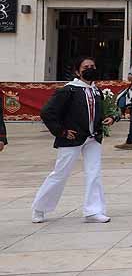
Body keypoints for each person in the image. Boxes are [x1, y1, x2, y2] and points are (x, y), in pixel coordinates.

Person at [31, 56, 117, 223]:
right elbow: (47, 113)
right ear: (78, 71)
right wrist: (61, 132)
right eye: (86, 67)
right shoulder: (68, 90)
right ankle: (39, 208)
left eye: (92, 65)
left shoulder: (96, 90)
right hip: (72, 138)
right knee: (60, 173)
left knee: (94, 173)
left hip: (93, 138)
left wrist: (110, 118)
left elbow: (99, 112)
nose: (90, 69)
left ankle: (94, 210)